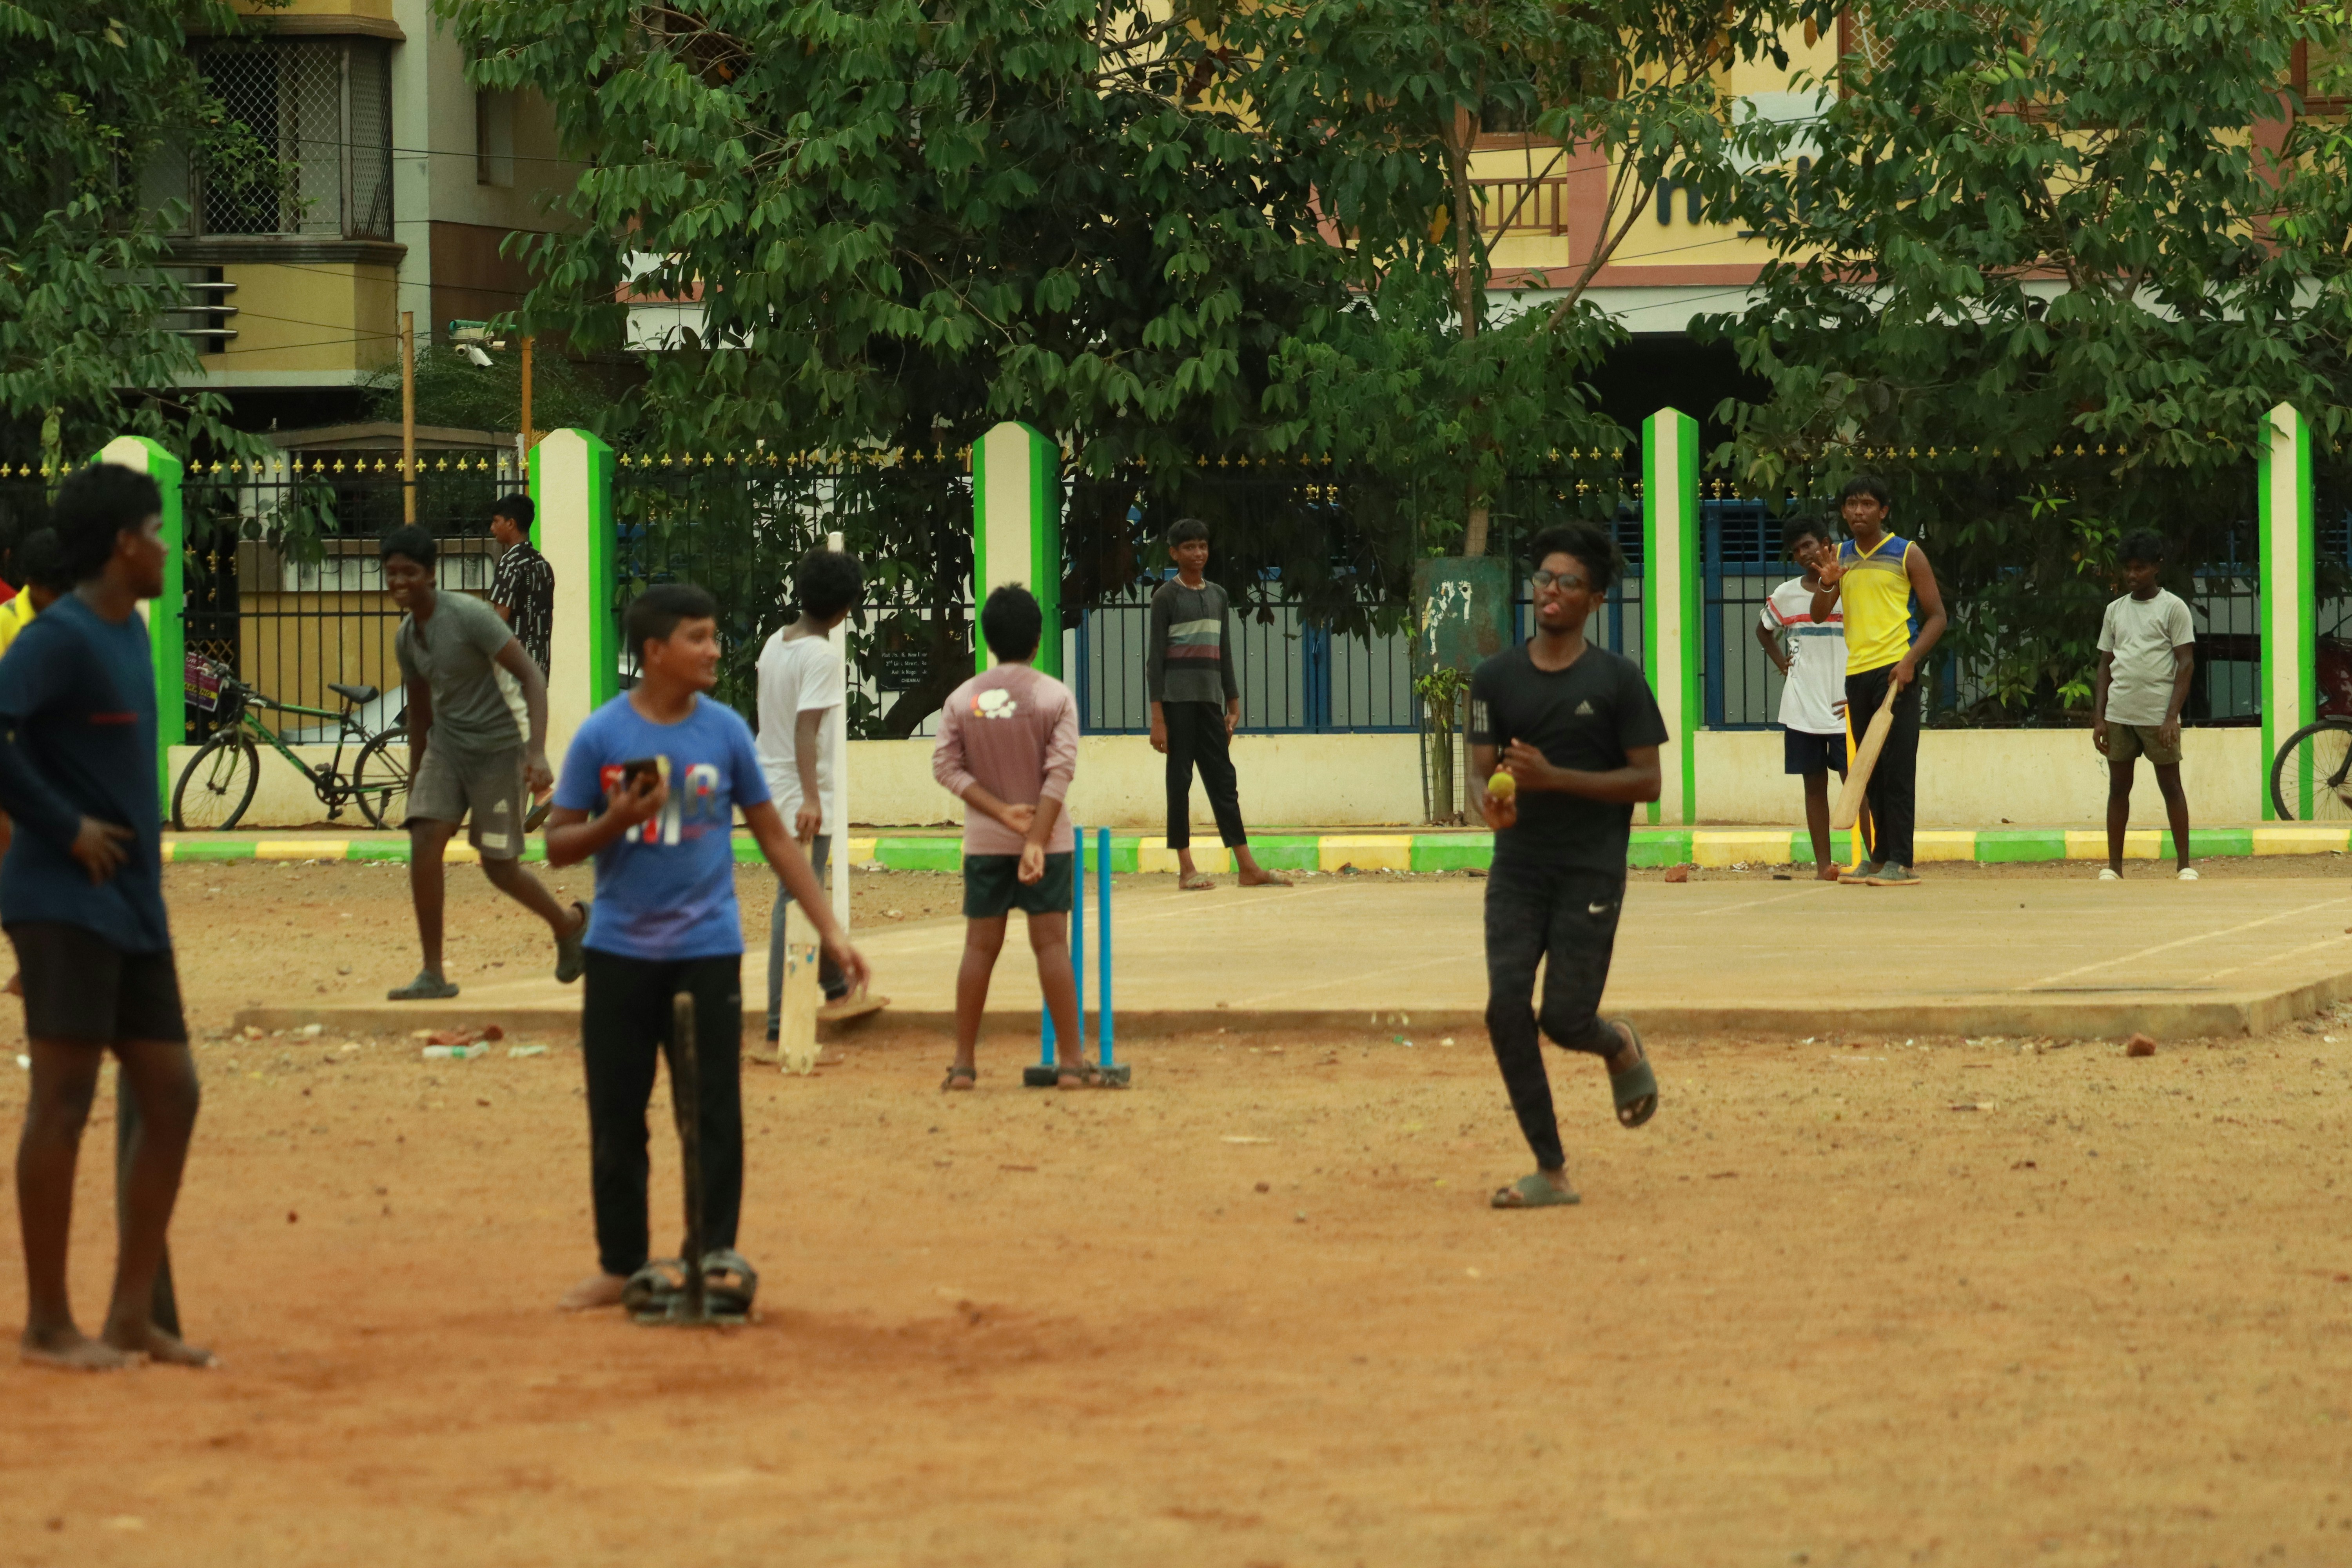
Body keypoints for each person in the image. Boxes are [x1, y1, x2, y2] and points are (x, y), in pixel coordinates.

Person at [547, 584, 867, 1311]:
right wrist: (615, 820)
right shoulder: (603, 736)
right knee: (619, 1112)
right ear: (656, 652)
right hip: (621, 954)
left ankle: (713, 1253)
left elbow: (777, 838)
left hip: (707, 948)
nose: (715, 650)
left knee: (714, 1110)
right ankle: (621, 1262)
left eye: (716, 635)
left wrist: (832, 933)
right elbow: (559, 844)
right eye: (699, 637)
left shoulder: (725, 732)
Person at [0, 464, 209, 1368]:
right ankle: (50, 1321)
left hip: (132, 905)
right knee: (65, 1099)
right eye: (159, 531)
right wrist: (61, 824)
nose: (170, 547)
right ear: (126, 541)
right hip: (62, 900)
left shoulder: (133, 632)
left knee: (172, 1091)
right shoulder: (61, 635)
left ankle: (131, 1313)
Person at [1468, 521, 1665, 1211]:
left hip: (1590, 869)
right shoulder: (1494, 678)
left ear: (1596, 600)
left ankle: (1615, 1044)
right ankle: (1550, 1170)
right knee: (1505, 1010)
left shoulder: (1617, 682)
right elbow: (1481, 772)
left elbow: (1647, 783)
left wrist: (1555, 780)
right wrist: (1488, 807)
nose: (1552, 592)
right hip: (1518, 869)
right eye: (1545, 579)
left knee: (1565, 1020)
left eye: (1569, 583)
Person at [381, 524, 586, 1000]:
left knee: (500, 867)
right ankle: (433, 972)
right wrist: (417, 781)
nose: (399, 582)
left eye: (409, 572)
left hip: (500, 748)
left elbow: (532, 677)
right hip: (448, 747)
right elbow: (420, 713)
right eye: (390, 573)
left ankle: (570, 924)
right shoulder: (406, 637)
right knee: (424, 840)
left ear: (430, 575)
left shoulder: (471, 616)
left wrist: (536, 752)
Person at [932, 585, 1088, 1090]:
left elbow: (946, 769)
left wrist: (1001, 812)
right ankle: (1070, 1063)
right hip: (1050, 842)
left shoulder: (962, 699)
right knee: (1051, 947)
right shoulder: (1054, 696)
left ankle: (962, 1064)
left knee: (979, 949)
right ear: (1039, 640)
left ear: (988, 640)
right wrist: (1037, 840)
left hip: (984, 844)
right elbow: (1059, 773)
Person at [755, 547, 871, 1040]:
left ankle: (834, 983)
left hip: (769, 780)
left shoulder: (775, 643)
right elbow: (807, 731)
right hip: (799, 790)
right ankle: (781, 1017)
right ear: (845, 608)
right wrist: (812, 798)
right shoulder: (823, 655)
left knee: (803, 893)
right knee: (796, 899)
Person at [1811, 475, 1948, 887]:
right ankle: (1879, 858)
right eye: (1851, 504)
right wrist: (1827, 582)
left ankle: (1902, 862)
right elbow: (1820, 614)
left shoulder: (1907, 552)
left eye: (1867, 504)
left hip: (1896, 670)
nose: (1858, 512)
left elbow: (1937, 616)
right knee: (1869, 770)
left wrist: (1910, 661)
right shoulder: (1839, 556)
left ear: (1884, 510)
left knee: (1897, 767)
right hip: (1858, 673)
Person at [1146, 518, 1290, 890]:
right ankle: (1186, 868)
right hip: (1177, 704)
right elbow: (1155, 660)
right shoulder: (1165, 597)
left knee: (1224, 781)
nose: (1198, 554)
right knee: (1179, 782)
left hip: (1210, 703)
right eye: (1190, 547)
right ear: (1174, 553)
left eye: (1203, 546)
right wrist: (1157, 718)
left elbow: (1223, 652)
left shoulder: (1218, 596)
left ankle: (1247, 867)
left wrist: (1233, 702)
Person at [1755, 515, 1864, 878]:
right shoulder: (1786, 595)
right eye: (1796, 550)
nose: (1803, 554)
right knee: (1814, 787)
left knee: (1857, 784)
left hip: (1844, 703)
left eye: (1808, 545)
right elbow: (1763, 631)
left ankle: (1871, 860)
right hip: (1802, 705)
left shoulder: (1852, 584)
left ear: (1825, 542)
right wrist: (1783, 663)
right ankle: (1823, 865)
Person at [2092, 532, 2196, 881]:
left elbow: (2185, 663)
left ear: (2157, 568)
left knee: (2171, 787)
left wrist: (2171, 717)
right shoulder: (2115, 610)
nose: (2133, 575)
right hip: (2120, 714)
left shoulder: (2173, 608)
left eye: (2141, 568)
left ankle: (2184, 865)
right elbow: (2105, 665)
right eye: (2128, 569)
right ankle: (2114, 867)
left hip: (2157, 716)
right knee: (2118, 788)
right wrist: (2099, 719)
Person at [486, 493, 553, 677]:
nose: (492, 528)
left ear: (510, 524)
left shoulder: (510, 563)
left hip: (513, 665)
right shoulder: (542, 563)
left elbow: (501, 615)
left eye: (496, 521)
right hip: (540, 664)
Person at [0, 528, 65, 655]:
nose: (62, 599)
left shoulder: (73, 617)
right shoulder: (4, 620)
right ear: (32, 585)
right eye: (55, 592)